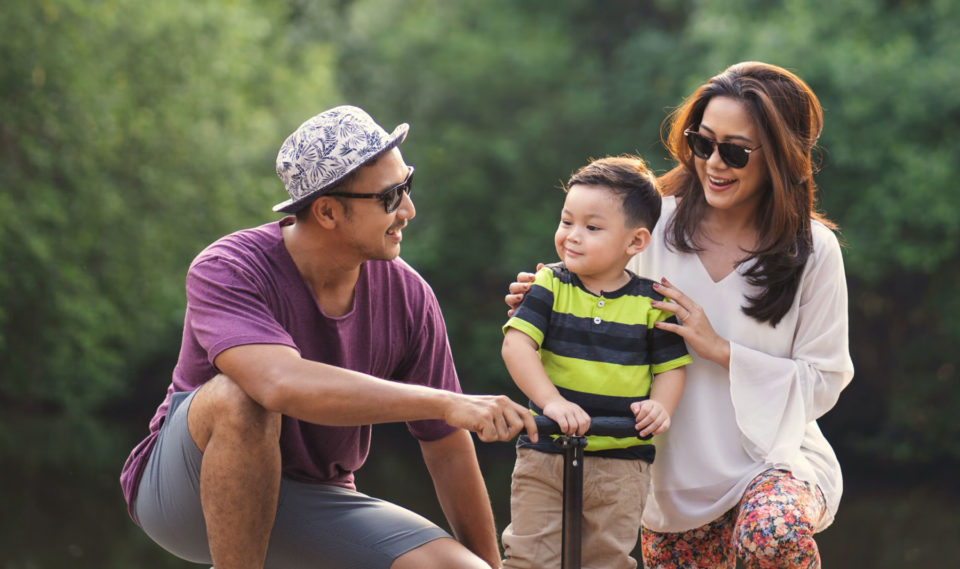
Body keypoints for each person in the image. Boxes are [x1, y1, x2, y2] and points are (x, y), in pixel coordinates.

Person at [120, 105, 538, 569]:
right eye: (389, 197)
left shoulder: (409, 295)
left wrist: (489, 564)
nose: (409, 209)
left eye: (408, 185)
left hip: (314, 497)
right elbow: (278, 383)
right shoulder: (229, 268)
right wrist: (443, 401)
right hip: (185, 492)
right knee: (242, 397)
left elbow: (447, 446)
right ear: (327, 211)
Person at [506, 62, 854, 569]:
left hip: (774, 464)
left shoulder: (813, 250)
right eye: (703, 142)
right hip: (665, 487)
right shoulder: (652, 225)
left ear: (780, 157)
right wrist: (543, 301)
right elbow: (584, 289)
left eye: (735, 151)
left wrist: (719, 349)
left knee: (772, 534)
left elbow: (825, 381)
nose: (714, 162)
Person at [500, 155, 692, 569]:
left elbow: (671, 369)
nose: (572, 236)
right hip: (545, 451)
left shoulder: (652, 303)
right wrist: (552, 403)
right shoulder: (549, 284)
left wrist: (660, 406)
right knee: (529, 557)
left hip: (620, 462)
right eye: (567, 221)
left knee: (606, 559)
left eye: (592, 227)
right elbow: (517, 347)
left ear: (636, 242)